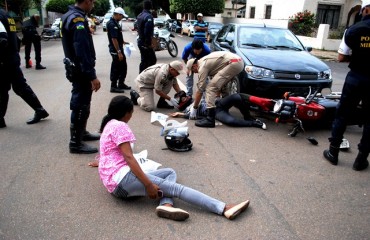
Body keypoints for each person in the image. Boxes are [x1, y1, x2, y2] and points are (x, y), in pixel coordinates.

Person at [97, 95, 250, 221]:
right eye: (131, 112)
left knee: (169, 172)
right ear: (126, 112)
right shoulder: (120, 126)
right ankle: (223, 208)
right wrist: (148, 184)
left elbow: (108, 153)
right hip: (123, 180)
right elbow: (129, 158)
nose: (131, 116)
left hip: (114, 185)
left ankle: (166, 205)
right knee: (177, 189)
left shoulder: (108, 124)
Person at [323, 0, 370, 171]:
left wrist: (359, 58)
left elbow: (341, 58)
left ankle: (333, 152)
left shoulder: (354, 30)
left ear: (366, 10)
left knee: (343, 114)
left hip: (356, 77)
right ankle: (361, 159)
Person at [61, 0, 101, 154]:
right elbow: (81, 50)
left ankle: (81, 133)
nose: (93, 5)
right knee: (80, 105)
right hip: (81, 70)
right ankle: (75, 143)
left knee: (84, 103)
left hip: (76, 68)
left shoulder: (69, 16)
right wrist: (92, 75)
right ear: (87, 1)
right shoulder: (77, 19)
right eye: (93, 2)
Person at [0, 8, 49, 128]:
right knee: (11, 87)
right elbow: (15, 38)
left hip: (4, 60)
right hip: (10, 57)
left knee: (13, 87)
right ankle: (39, 110)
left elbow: (2, 39)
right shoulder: (6, 14)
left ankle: (39, 110)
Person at [186, 51, 244, 128]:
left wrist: (195, 108)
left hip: (233, 63)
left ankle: (210, 119)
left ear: (194, 66)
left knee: (210, 88)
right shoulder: (205, 62)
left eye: (193, 71)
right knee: (220, 84)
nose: (195, 73)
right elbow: (216, 80)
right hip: (238, 61)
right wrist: (216, 97)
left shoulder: (202, 67)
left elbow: (200, 89)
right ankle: (225, 106)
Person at [170, 91, 267, 129]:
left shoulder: (196, 99)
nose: (186, 98)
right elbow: (190, 116)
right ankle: (254, 123)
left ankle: (248, 116)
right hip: (216, 112)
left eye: (185, 96)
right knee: (231, 121)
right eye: (183, 98)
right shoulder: (187, 110)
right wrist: (179, 114)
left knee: (236, 97)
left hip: (219, 103)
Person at [107, 7, 131, 93]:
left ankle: (121, 83)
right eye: (121, 16)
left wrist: (123, 42)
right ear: (117, 14)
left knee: (123, 66)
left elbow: (118, 36)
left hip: (119, 48)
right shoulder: (112, 24)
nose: (122, 18)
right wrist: (119, 52)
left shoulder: (116, 23)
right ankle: (113, 86)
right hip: (115, 50)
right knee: (116, 67)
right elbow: (114, 39)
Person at [136, 0, 156, 73]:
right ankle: (144, 77)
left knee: (144, 60)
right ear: (150, 6)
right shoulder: (148, 16)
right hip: (145, 42)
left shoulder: (140, 15)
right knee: (151, 60)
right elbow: (147, 32)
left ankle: (141, 77)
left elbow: (138, 28)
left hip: (140, 41)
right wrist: (148, 44)